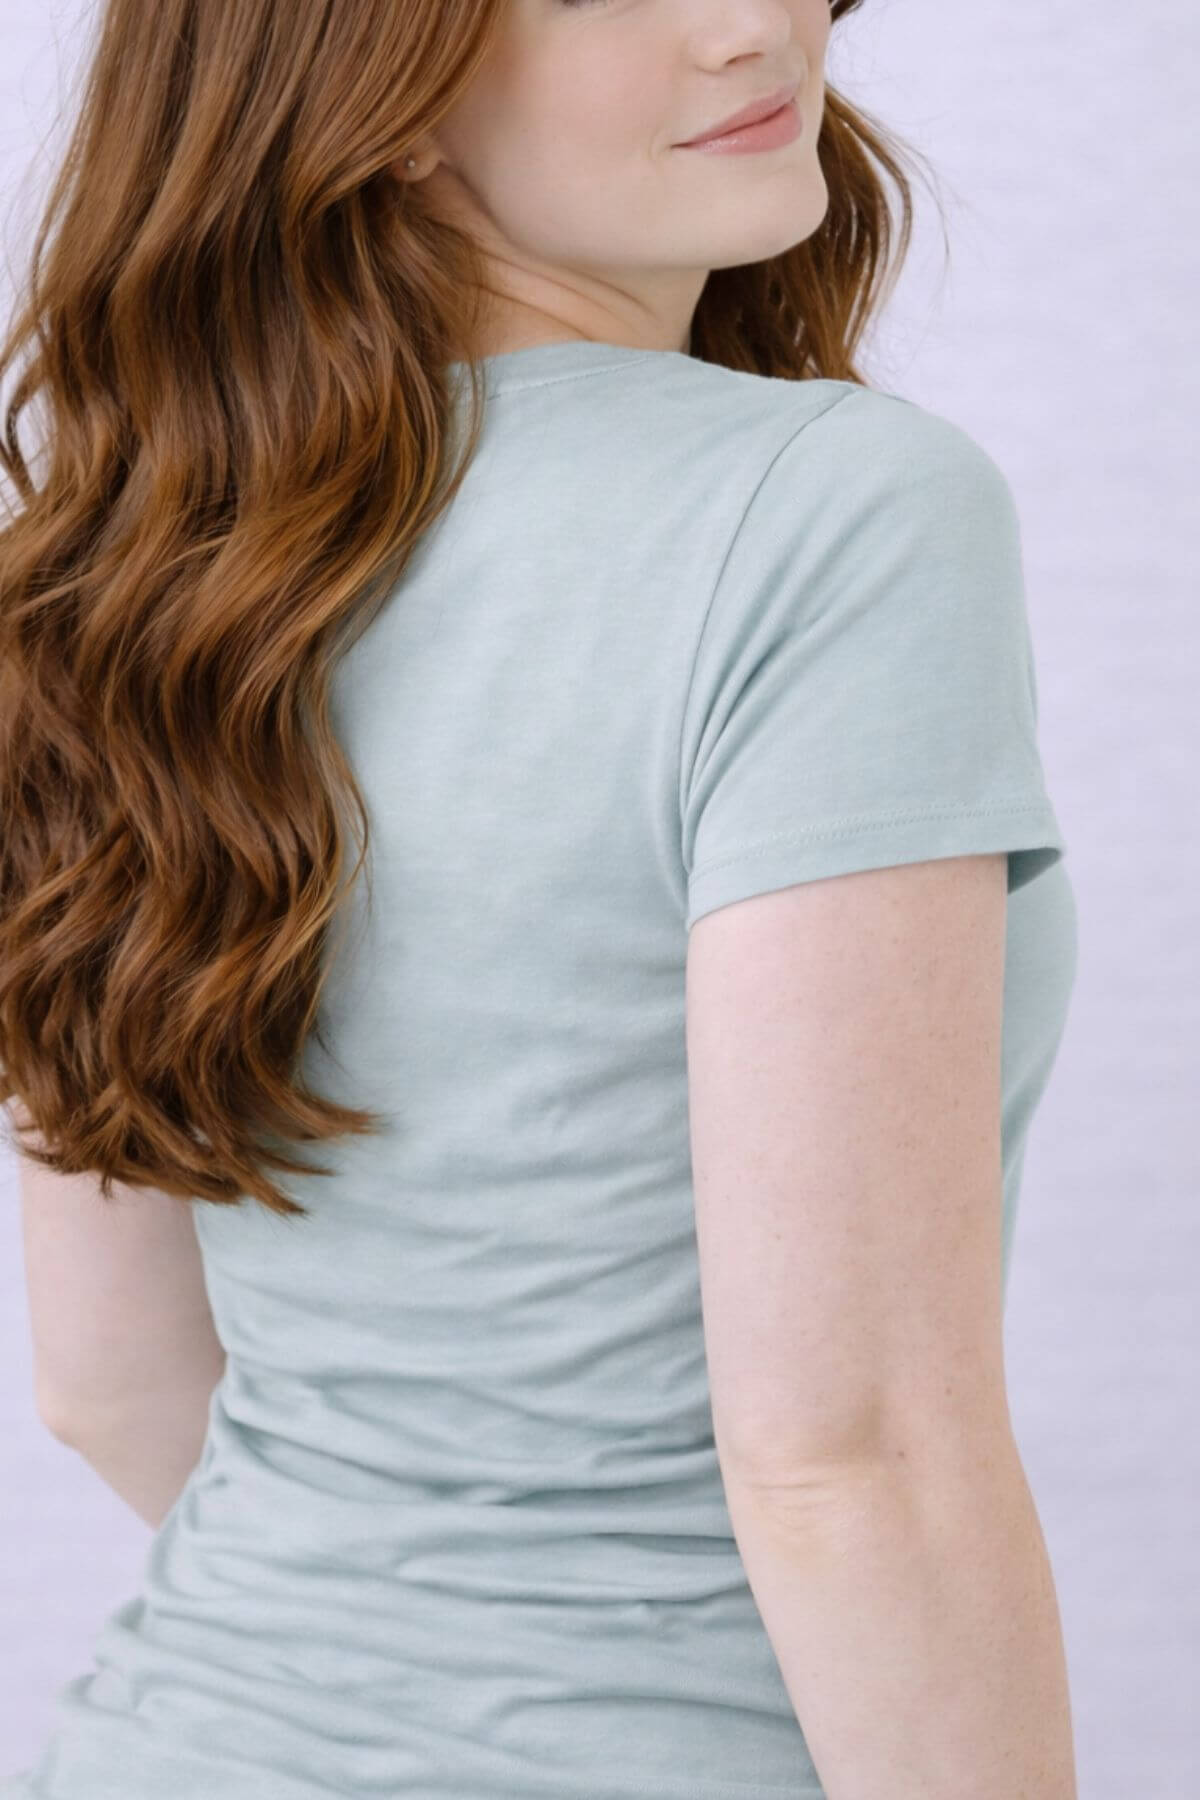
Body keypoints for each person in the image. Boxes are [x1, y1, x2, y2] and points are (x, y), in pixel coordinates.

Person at [0, 1, 1080, 1796]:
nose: (749, 26)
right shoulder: (836, 513)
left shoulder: (124, 580)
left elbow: (108, 1377)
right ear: (370, 84)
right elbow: (854, 1454)